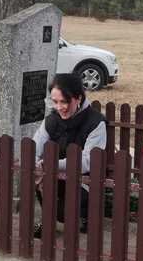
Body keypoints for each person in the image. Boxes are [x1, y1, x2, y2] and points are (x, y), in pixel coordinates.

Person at [33, 73, 107, 237]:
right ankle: (48, 219)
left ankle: (83, 218)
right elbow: (34, 147)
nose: (59, 107)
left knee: (67, 215)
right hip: (54, 178)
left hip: (83, 182)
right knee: (38, 177)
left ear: (78, 98)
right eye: (55, 102)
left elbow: (88, 161)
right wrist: (36, 164)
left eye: (64, 101)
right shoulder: (51, 120)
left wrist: (53, 164)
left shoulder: (96, 123)